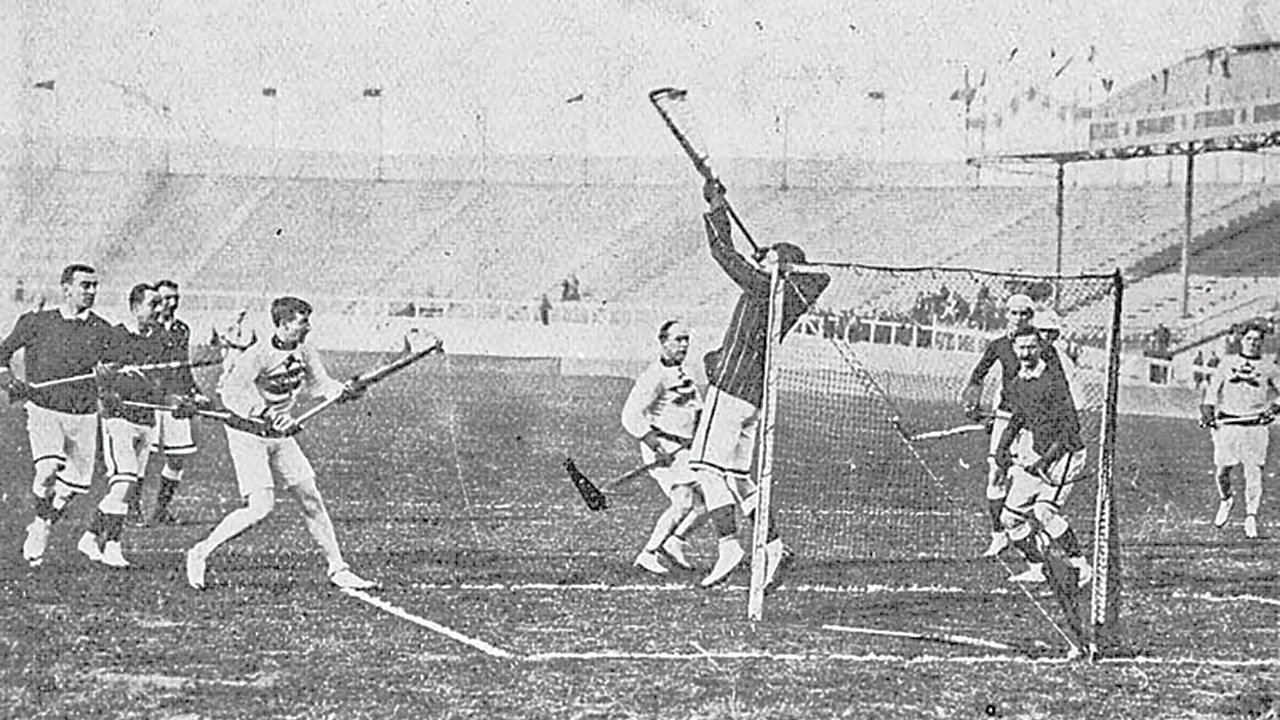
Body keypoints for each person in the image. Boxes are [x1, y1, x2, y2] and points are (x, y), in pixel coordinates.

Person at [690, 179, 830, 588]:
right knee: (737, 477)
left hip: (731, 390)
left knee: (705, 469)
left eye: (768, 255)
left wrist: (716, 206)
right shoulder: (786, 294)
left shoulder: (764, 287)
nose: (761, 257)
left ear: (779, 267)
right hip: (752, 396)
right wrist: (771, 261)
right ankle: (772, 545)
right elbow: (816, 278)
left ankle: (729, 546)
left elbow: (721, 250)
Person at [184, 296, 375, 590]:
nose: (308, 328)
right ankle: (200, 552)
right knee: (260, 507)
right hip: (248, 434)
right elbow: (232, 394)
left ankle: (338, 567)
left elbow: (320, 385)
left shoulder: (305, 350)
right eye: (302, 322)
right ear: (283, 324)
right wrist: (268, 415)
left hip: (280, 435)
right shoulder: (258, 354)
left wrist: (344, 391)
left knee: (311, 497)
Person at [0, 264, 115, 567]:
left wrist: (108, 374)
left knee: (71, 489)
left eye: (94, 286)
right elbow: (2, 354)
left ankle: (42, 522)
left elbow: (116, 370)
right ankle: (40, 526)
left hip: (84, 416)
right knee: (48, 468)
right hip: (44, 410)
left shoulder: (103, 329)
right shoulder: (37, 322)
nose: (91, 291)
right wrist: (8, 380)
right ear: (66, 288)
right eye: (85, 285)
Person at [76, 283, 175, 566]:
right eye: (153, 304)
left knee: (128, 486)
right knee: (126, 481)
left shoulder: (161, 339)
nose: (159, 309)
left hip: (147, 420)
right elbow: (96, 374)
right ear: (134, 307)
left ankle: (89, 537)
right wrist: (106, 387)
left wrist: (175, 399)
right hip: (118, 420)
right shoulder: (114, 335)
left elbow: (165, 382)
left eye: (161, 304)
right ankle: (113, 546)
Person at [992, 325, 1093, 587]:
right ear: (1014, 349)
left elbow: (1070, 430)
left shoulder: (1054, 382)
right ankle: (1037, 567)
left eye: (1031, 347)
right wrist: (1002, 448)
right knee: (1010, 519)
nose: (1026, 353)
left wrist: (1043, 462)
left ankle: (1081, 566)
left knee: (1043, 511)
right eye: (1021, 348)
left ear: (1040, 348)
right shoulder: (1017, 382)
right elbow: (1018, 417)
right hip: (1040, 455)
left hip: (1066, 454)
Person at [621, 319, 706, 574]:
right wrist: (657, 447)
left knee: (711, 500)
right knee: (683, 501)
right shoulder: (653, 377)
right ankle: (647, 554)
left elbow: (697, 410)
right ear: (663, 342)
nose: (684, 345)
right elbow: (630, 416)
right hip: (664, 448)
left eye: (686, 339)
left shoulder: (684, 372)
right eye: (678, 339)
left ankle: (675, 542)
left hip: (684, 449)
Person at [960, 294, 1038, 558]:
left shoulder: (1039, 346)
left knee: (1030, 478)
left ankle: (1032, 535)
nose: (1019, 318)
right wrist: (972, 401)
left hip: (1032, 422)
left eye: (1024, 313)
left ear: (1031, 316)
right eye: (1014, 312)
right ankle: (998, 536)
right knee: (996, 475)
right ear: (1007, 314)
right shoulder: (999, 345)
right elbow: (978, 375)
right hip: (1006, 416)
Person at [133, 279, 211, 526]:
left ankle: (161, 510)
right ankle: (133, 510)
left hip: (176, 402)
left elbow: (183, 366)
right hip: (153, 401)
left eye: (175, 298)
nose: (172, 303)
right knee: (142, 457)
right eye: (166, 298)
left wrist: (195, 392)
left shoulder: (181, 329)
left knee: (177, 458)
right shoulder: (147, 329)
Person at [1200, 321, 1280, 539]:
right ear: (1241, 340)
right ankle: (1226, 499)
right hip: (1228, 424)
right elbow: (1213, 390)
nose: (1253, 343)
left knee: (1253, 472)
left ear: (1262, 343)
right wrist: (1207, 410)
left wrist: (1273, 409)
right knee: (1222, 471)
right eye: (1249, 339)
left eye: (1257, 340)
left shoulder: (1269, 367)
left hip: (1255, 427)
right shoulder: (1227, 363)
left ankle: (1251, 517)